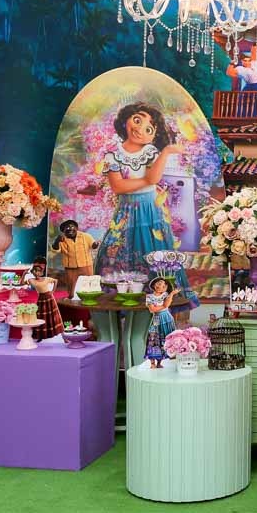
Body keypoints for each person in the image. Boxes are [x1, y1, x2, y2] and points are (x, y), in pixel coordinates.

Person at [94, 102, 196, 305]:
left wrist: (165, 152)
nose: (140, 129)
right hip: (126, 210)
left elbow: (154, 178)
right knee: (117, 250)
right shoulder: (112, 155)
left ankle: (156, 301)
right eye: (137, 120)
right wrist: (145, 181)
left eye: (148, 129)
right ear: (125, 120)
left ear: (153, 136)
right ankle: (122, 297)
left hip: (151, 210)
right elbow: (118, 187)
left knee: (155, 253)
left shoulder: (151, 152)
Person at [51, 219, 98, 295]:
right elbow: (55, 250)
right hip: (70, 268)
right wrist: (57, 241)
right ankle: (71, 297)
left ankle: (89, 296)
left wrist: (95, 245)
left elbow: (93, 245)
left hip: (86, 266)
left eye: (72, 227)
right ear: (63, 231)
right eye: (67, 228)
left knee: (88, 283)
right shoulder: (62, 239)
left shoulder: (86, 236)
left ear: (76, 228)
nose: (70, 229)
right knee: (71, 285)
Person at [144, 276, 177, 368]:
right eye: (159, 283)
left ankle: (160, 362)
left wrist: (171, 295)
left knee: (166, 339)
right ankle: (152, 363)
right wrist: (163, 306)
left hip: (167, 318)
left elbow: (167, 304)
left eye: (164, 285)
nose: (161, 286)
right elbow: (152, 309)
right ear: (154, 284)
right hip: (157, 319)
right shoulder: (149, 296)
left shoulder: (166, 294)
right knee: (154, 339)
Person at [29, 257, 63, 341]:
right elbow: (22, 283)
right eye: (35, 271)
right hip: (41, 299)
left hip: (49, 298)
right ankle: (40, 335)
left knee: (51, 315)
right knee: (40, 315)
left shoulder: (46, 279)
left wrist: (53, 291)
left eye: (40, 270)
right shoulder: (32, 280)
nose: (37, 272)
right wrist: (24, 274)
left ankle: (54, 333)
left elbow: (55, 281)